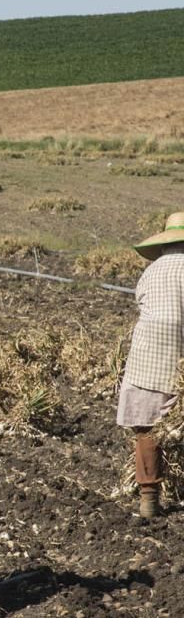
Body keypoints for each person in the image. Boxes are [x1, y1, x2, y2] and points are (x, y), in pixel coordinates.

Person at [117, 211, 184, 518]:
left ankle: (149, 499)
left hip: (148, 360)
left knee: (147, 431)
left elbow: (142, 305)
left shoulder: (151, 271)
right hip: (180, 358)